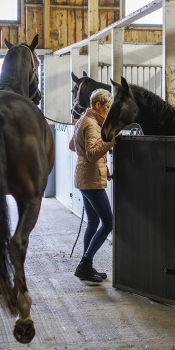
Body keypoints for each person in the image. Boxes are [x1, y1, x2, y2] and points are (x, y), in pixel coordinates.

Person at [69, 88, 115, 284]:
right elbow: (92, 153)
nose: (107, 111)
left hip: (84, 177)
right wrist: (112, 140)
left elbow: (72, 145)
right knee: (108, 223)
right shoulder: (93, 124)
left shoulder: (83, 120)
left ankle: (87, 266)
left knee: (94, 222)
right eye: (106, 107)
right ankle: (85, 264)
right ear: (97, 105)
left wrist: (103, 167)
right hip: (91, 181)